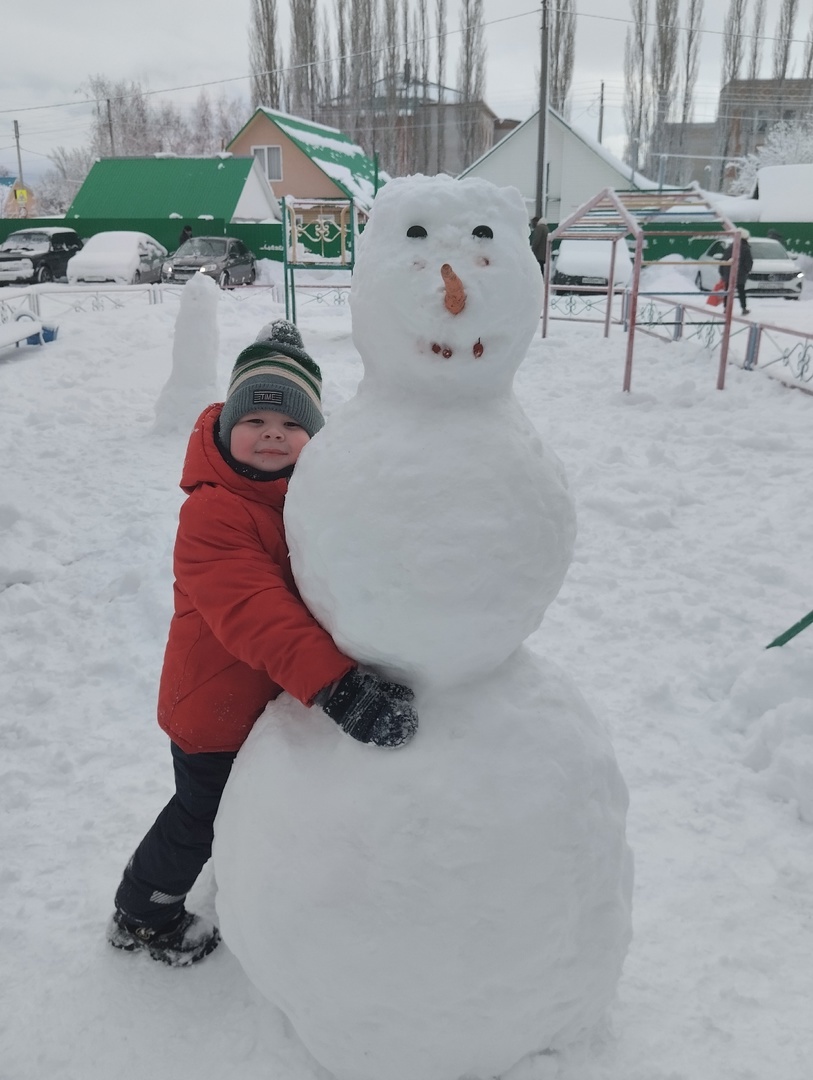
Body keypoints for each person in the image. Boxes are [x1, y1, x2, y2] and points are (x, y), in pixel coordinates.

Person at [107, 319, 418, 967]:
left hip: (265, 700)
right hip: (213, 709)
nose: (273, 432)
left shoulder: (299, 500)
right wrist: (338, 686)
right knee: (200, 816)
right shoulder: (214, 511)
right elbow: (254, 609)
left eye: (293, 424)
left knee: (245, 806)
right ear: (224, 430)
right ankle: (144, 911)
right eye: (254, 421)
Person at [719, 227, 753, 316]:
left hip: (728, 274)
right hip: (740, 274)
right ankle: (744, 308)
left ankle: (726, 308)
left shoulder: (731, 247)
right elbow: (749, 262)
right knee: (741, 291)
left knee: (728, 291)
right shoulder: (745, 248)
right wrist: (746, 271)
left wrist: (722, 272)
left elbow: (723, 260)